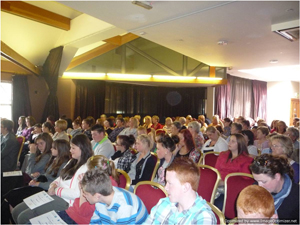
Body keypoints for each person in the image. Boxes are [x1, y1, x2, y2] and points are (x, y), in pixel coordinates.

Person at [12, 134, 94, 224]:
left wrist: (56, 189)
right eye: (70, 147)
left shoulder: (86, 168)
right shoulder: (72, 161)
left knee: (23, 217)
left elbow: (77, 193)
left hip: (66, 201)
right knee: (16, 211)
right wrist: (53, 185)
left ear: (83, 148)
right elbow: (60, 178)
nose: (70, 150)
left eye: (73, 148)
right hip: (55, 193)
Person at [2, 139, 70, 222]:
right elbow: (45, 174)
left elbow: (54, 182)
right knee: (10, 190)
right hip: (40, 183)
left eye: (54, 148)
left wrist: (38, 183)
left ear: (60, 150)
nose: (51, 149)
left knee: (12, 195)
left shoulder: (61, 162)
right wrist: (38, 177)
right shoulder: (55, 159)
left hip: (45, 188)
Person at [143, 157, 216, 224]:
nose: (166, 188)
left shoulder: (203, 217)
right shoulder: (163, 203)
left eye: (170, 183)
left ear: (186, 187)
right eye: (166, 182)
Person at [57, 155, 120, 224]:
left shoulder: (100, 186)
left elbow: (83, 211)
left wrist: (82, 187)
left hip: (79, 220)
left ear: (92, 171)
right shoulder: (104, 180)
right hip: (73, 214)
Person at [80, 169, 148, 224]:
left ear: (97, 196)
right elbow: (95, 222)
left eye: (86, 193)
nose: (83, 195)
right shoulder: (101, 196)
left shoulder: (124, 207)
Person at [250, 154, 299, 223]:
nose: (259, 186)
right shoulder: (255, 189)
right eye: (257, 180)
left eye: (263, 181)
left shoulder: (296, 198)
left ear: (277, 177)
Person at [214, 133, 253, 210]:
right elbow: (216, 171)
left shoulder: (246, 160)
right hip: (217, 185)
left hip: (232, 189)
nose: (229, 143)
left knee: (218, 204)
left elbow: (245, 180)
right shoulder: (223, 155)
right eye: (230, 140)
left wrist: (225, 182)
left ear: (240, 144)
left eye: (233, 141)